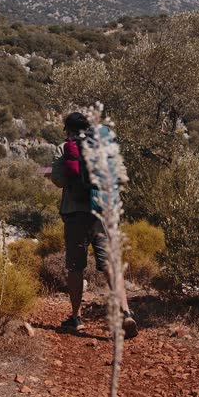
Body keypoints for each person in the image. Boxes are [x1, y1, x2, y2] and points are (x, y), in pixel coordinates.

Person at [49, 112, 138, 339]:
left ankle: (76, 317)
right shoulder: (101, 146)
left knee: (75, 267)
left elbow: (59, 180)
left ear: (67, 129)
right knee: (110, 264)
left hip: (75, 213)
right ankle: (125, 312)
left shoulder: (64, 147)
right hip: (101, 212)